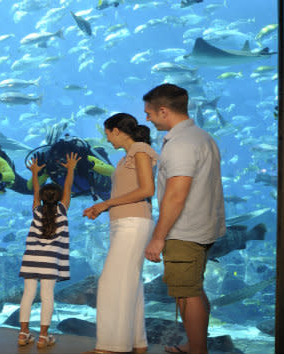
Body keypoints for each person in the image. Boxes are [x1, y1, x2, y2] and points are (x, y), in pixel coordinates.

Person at [143, 83, 226, 354]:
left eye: (150, 113)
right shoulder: (203, 137)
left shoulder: (180, 144)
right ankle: (195, 344)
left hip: (184, 231)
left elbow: (177, 195)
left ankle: (198, 350)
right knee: (194, 290)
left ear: (164, 111)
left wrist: (158, 237)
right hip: (203, 228)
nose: (147, 119)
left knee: (186, 294)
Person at [82, 113, 158, 354]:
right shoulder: (125, 158)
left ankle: (111, 347)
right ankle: (137, 343)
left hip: (134, 222)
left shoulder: (141, 151)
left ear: (116, 131)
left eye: (107, 134)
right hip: (125, 222)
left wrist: (106, 204)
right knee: (130, 285)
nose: (107, 140)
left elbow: (147, 189)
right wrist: (101, 206)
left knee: (111, 283)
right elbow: (128, 190)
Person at [17, 152, 80, 349]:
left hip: (31, 260)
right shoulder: (62, 209)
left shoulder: (37, 210)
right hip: (50, 262)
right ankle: (43, 336)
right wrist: (70, 169)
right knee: (47, 296)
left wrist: (35, 173)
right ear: (60, 198)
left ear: (42, 199)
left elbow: (36, 192)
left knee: (27, 295)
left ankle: (23, 333)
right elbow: (68, 187)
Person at [28, 134, 114, 201]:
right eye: (59, 161)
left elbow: (112, 171)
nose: (63, 164)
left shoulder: (83, 160)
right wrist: (37, 173)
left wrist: (91, 165)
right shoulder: (52, 168)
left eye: (65, 159)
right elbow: (30, 187)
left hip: (97, 187)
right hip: (77, 192)